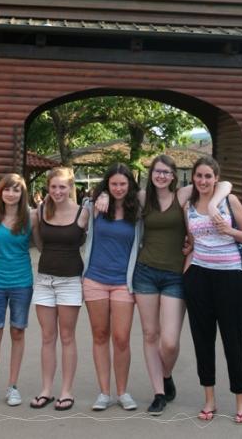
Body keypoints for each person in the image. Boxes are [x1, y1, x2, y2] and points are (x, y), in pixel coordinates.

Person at [96, 153, 231, 415]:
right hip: (145, 273)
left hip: (175, 275)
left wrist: (214, 204)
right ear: (151, 173)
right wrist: (101, 195)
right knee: (150, 335)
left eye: (166, 172)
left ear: (173, 175)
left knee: (169, 342)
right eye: (157, 171)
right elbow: (115, 190)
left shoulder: (183, 196)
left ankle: (166, 374)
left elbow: (224, 185)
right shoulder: (143, 199)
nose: (161, 176)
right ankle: (159, 392)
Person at [183, 156, 242, 424]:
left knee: (232, 340)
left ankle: (241, 401)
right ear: (193, 178)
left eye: (208, 177)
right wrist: (187, 264)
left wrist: (230, 230)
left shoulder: (229, 201)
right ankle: (209, 400)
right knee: (203, 340)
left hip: (230, 278)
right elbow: (191, 240)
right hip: (199, 277)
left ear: (216, 178)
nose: (203, 181)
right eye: (198, 176)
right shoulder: (188, 205)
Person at [0, 173, 41, 407]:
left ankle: (12, 386)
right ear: (0, 192)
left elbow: (42, 245)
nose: (11, 194)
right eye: (7, 189)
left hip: (22, 282)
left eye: (16, 190)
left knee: (17, 332)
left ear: (22, 193)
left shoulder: (32, 217)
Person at [83, 164, 142, 411]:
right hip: (95, 278)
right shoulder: (95, 207)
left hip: (123, 283)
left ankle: (122, 391)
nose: (118, 188)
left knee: (121, 338)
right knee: (99, 335)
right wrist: (96, 197)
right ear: (107, 184)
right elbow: (78, 215)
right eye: (114, 184)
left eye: (123, 184)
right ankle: (104, 392)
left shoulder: (137, 211)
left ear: (130, 186)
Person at [30, 166, 89, 412]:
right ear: (48, 187)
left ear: (70, 188)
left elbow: (91, 240)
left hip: (70, 280)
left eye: (62, 186)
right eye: (53, 186)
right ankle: (46, 390)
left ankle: (66, 391)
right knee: (46, 337)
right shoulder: (41, 211)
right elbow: (38, 241)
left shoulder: (84, 213)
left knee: (66, 337)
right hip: (44, 279)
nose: (57, 191)